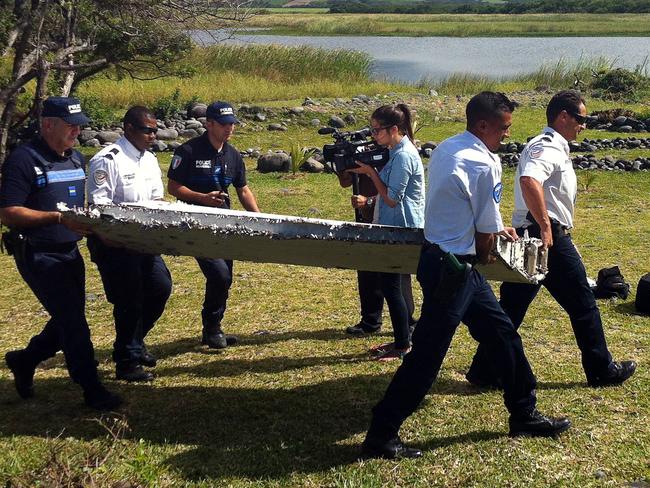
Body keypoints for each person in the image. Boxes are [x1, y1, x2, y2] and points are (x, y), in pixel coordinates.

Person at [361, 92, 571, 460]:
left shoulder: (447, 147)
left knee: (503, 334)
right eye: (504, 128)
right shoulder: (484, 164)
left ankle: (523, 411)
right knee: (427, 354)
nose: (508, 134)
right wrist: (491, 241)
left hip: (442, 260)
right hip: (454, 269)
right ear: (483, 125)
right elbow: (485, 238)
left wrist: (487, 228)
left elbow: (464, 208)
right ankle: (381, 433)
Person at [466, 90, 636, 389]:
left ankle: (484, 370)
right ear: (563, 116)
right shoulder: (547, 147)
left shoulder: (555, 147)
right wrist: (546, 226)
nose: (584, 125)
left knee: (512, 308)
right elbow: (529, 180)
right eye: (581, 119)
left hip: (538, 233)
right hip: (546, 236)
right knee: (583, 303)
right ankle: (602, 369)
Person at [1, 96, 121, 410]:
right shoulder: (23, 160)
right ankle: (91, 387)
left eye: (79, 126)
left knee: (66, 319)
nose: (76, 132)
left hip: (69, 252)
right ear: (47, 124)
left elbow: (76, 207)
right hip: (38, 253)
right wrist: (56, 219)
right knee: (73, 322)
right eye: (70, 126)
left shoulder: (76, 159)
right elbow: (9, 212)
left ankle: (25, 359)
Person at [87, 106, 172, 383]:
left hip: (145, 242)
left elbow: (157, 200)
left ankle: (134, 342)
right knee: (129, 300)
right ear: (129, 128)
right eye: (148, 130)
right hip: (115, 243)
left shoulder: (148, 160)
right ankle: (126, 361)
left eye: (155, 130)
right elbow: (100, 207)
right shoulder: (107, 160)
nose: (153, 135)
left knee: (160, 288)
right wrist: (116, 236)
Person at [167, 101, 260, 349]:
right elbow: (173, 187)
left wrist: (261, 218)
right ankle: (212, 328)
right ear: (209, 124)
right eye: (224, 124)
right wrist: (202, 198)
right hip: (196, 225)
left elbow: (243, 189)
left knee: (225, 276)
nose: (229, 129)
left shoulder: (233, 154)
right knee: (218, 274)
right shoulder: (187, 151)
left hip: (224, 224)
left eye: (232, 124)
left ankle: (212, 327)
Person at [346, 103, 424, 361]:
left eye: (377, 130)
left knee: (392, 286)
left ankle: (403, 344)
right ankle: (402, 339)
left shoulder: (403, 155)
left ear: (393, 129)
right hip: (392, 225)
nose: (374, 136)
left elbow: (392, 198)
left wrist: (370, 173)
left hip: (401, 227)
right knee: (390, 286)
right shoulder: (396, 150)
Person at [337, 159, 417, 338]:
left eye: (377, 131)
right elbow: (346, 182)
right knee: (367, 267)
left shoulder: (396, 155)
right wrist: (343, 167)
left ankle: (407, 321)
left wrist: (369, 201)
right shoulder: (363, 153)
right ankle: (370, 321)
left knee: (397, 272)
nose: (374, 135)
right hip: (367, 217)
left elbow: (398, 192)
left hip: (389, 217)